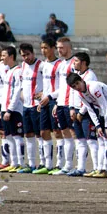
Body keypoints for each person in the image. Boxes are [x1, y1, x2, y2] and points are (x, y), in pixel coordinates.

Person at [67, 72, 107, 178]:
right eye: (74, 87)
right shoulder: (80, 93)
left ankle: (106, 170)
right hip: (102, 112)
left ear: (81, 80)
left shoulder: (93, 87)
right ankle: (99, 168)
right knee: (101, 141)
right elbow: (90, 109)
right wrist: (98, 125)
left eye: (77, 84)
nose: (77, 87)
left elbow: (105, 105)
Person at [33, 38, 64, 174]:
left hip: (54, 101)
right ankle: (47, 164)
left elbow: (62, 87)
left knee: (57, 132)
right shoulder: (43, 65)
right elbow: (44, 84)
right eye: (41, 48)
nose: (43, 51)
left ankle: (60, 164)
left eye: (46, 48)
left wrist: (51, 97)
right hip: (44, 101)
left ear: (53, 48)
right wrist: (41, 94)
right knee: (43, 132)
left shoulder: (60, 64)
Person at [70, 52, 102, 178]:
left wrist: (81, 112)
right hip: (76, 111)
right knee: (80, 141)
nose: (74, 63)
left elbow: (90, 96)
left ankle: (96, 168)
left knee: (91, 141)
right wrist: (72, 108)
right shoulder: (76, 75)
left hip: (87, 112)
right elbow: (73, 93)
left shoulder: (90, 76)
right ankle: (81, 167)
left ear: (83, 62)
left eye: (76, 61)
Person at [49, 37, 76, 175]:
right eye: (58, 47)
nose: (59, 50)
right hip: (61, 103)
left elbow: (76, 86)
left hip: (71, 104)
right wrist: (57, 102)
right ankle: (68, 165)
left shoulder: (74, 63)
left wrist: (74, 105)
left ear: (68, 48)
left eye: (61, 47)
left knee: (74, 134)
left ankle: (78, 165)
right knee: (65, 133)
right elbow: (61, 86)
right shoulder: (60, 64)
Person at [18, 43, 44, 173]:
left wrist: (43, 93)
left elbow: (51, 82)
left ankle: (43, 163)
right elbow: (23, 83)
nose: (26, 57)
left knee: (40, 135)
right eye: (23, 55)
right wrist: (22, 93)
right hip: (26, 105)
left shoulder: (41, 65)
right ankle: (32, 163)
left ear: (33, 53)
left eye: (27, 54)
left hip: (36, 106)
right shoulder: (22, 66)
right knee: (28, 135)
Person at [0, 46, 25, 173]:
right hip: (6, 108)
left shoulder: (18, 71)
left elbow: (17, 91)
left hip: (13, 110)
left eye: (4, 55)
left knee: (17, 136)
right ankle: (14, 163)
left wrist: (10, 109)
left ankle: (21, 163)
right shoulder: (8, 71)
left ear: (11, 56)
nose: (1, 58)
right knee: (8, 136)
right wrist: (3, 108)